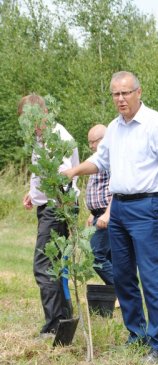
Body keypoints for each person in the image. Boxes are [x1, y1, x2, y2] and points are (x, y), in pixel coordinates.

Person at [62, 71, 158, 363]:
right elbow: (100, 161)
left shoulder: (157, 124)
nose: (120, 99)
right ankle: (137, 334)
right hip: (118, 208)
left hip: (148, 207)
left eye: (126, 93)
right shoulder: (114, 129)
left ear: (139, 92)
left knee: (151, 276)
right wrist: (73, 171)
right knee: (122, 275)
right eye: (115, 94)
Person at [18, 94, 80, 337]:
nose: (24, 125)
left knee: (44, 265)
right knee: (55, 265)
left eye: (26, 119)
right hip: (50, 204)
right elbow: (46, 175)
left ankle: (54, 326)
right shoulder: (40, 137)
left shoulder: (56, 138)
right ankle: (63, 317)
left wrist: (64, 212)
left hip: (58, 206)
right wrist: (33, 194)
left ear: (38, 115)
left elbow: (64, 175)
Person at [86, 124, 114, 286]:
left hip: (107, 214)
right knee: (110, 256)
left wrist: (106, 213)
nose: (91, 146)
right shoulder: (97, 160)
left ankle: (121, 290)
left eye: (93, 142)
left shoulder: (109, 159)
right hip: (99, 213)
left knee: (96, 254)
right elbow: (99, 188)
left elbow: (116, 190)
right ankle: (118, 296)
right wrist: (93, 212)